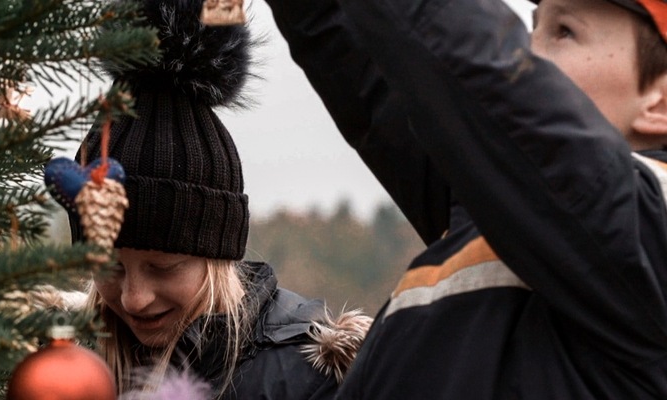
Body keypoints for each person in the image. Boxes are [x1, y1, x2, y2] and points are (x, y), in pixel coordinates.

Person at [261, 0, 667, 398]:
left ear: (660, 101)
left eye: (565, 31)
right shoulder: (501, 217)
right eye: (533, 26)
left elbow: (468, 57)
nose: (527, 50)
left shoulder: (647, 229)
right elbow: (367, 65)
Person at [70, 0, 372, 398]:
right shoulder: (57, 369)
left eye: (163, 267)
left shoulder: (308, 381)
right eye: (109, 266)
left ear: (218, 254)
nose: (134, 298)